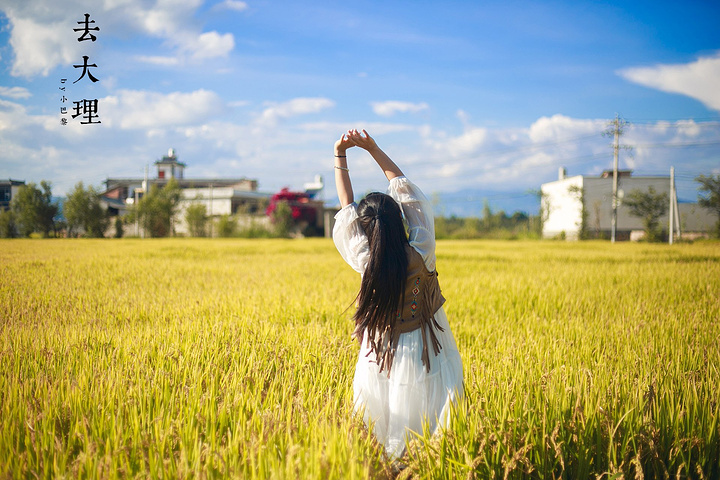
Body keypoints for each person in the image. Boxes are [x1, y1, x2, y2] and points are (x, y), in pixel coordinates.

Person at [332, 129, 464, 459]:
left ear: (365, 230)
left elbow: (345, 207)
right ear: (400, 220)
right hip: (427, 346)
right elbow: (406, 192)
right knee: (432, 419)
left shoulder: (365, 259)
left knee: (382, 418)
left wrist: (340, 154)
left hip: (380, 349)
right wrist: (373, 149)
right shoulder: (422, 248)